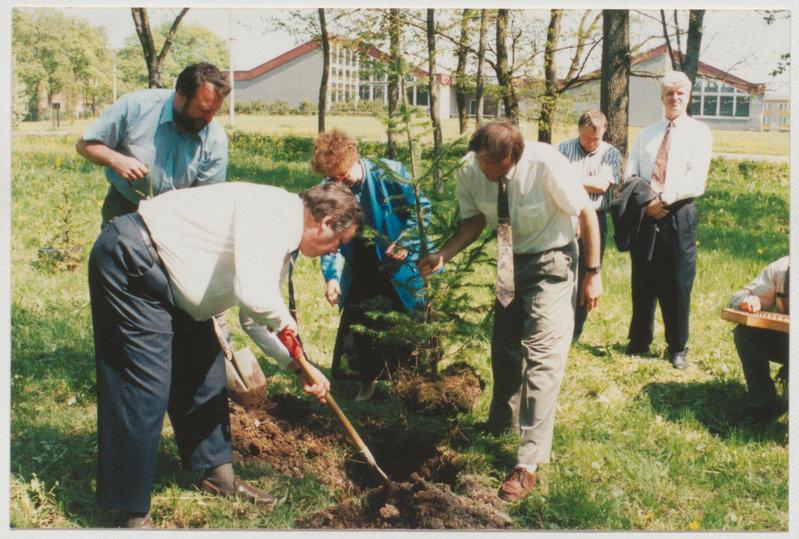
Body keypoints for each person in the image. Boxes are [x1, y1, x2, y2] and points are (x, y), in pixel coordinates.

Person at [88, 181, 363, 528]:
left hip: (173, 282)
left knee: (205, 371)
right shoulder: (274, 214)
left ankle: (218, 475)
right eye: (339, 242)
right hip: (134, 261)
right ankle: (127, 509)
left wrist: (296, 365)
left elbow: (252, 319)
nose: (333, 251)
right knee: (142, 386)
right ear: (325, 220)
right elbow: (256, 299)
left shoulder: (285, 234)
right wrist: (288, 328)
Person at [417, 121, 603, 502]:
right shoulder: (470, 168)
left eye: (496, 170)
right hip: (507, 260)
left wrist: (593, 274)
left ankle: (528, 461)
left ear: (513, 159)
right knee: (504, 347)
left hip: (552, 259)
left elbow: (586, 213)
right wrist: (443, 255)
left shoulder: (545, 163)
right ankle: (501, 421)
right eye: (484, 164)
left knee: (543, 357)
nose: (487, 174)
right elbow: (475, 221)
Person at [310, 129, 431, 402]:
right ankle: (367, 384)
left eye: (342, 176)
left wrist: (406, 241)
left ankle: (410, 385)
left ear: (355, 159)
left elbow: (422, 210)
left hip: (398, 263)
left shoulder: (390, 172)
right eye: (331, 178)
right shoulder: (332, 189)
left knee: (406, 322)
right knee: (362, 324)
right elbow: (328, 236)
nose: (338, 183)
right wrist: (332, 277)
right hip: (361, 263)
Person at [624, 71, 712, 370]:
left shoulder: (699, 132)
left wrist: (665, 200)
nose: (675, 98)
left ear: (688, 97)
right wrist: (647, 202)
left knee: (677, 281)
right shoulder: (646, 133)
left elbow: (696, 179)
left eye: (681, 93)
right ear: (662, 97)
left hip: (679, 212)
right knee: (643, 278)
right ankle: (638, 341)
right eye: (669, 93)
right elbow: (630, 174)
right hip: (645, 213)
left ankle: (677, 348)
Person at [76, 62, 231, 226]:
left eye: (215, 111)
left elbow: (207, 201)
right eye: (203, 109)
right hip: (125, 207)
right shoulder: (135, 107)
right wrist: (117, 160)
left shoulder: (215, 139)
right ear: (181, 94)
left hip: (179, 217)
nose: (209, 119)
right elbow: (84, 145)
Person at [557, 109, 621, 343]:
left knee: (588, 272)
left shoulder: (610, 153)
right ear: (578, 130)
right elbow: (554, 182)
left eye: (597, 138)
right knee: (562, 270)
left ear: (604, 132)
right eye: (586, 137)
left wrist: (569, 178)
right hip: (566, 216)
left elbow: (602, 185)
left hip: (596, 218)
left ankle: (575, 329)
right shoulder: (563, 149)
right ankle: (558, 323)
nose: (592, 143)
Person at [729, 256, 789, 423]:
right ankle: (764, 404)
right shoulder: (782, 268)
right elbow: (739, 296)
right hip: (788, 341)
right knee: (745, 334)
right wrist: (746, 300)